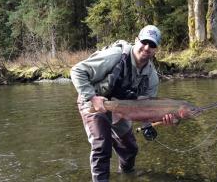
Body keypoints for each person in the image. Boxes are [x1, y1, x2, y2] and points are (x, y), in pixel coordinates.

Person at [71, 25, 184, 182]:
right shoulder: (115, 55)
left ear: (156, 49)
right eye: (144, 42)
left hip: (123, 108)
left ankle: (127, 176)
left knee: (130, 149)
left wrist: (157, 122)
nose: (147, 48)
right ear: (136, 40)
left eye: (152, 45)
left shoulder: (151, 77)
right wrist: (92, 97)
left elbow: (146, 108)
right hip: (95, 100)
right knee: (102, 146)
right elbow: (77, 71)